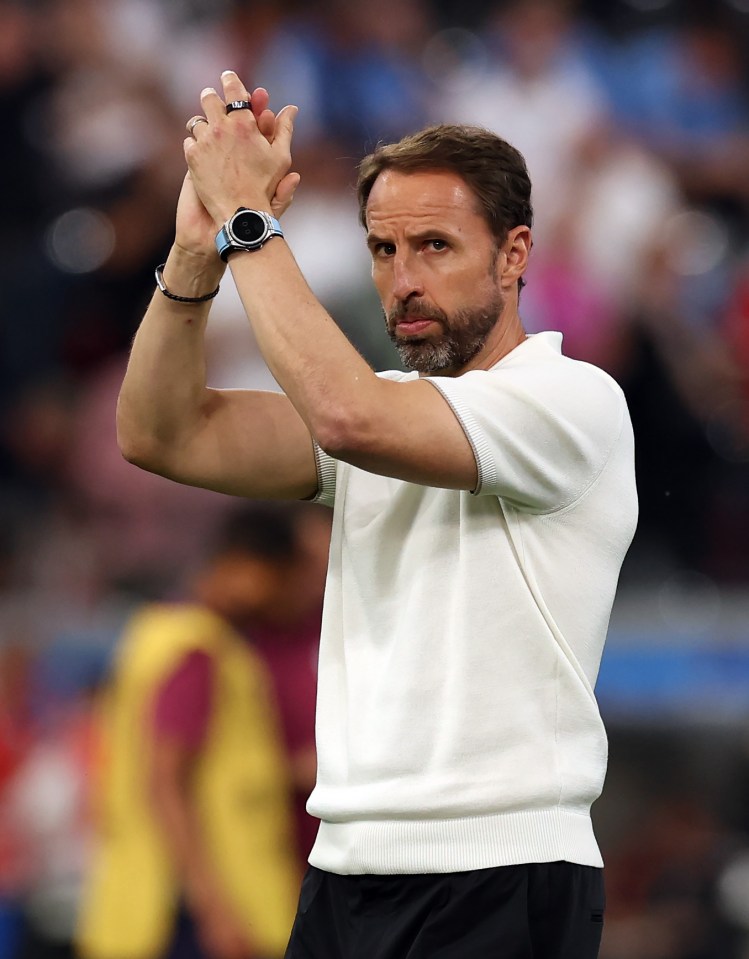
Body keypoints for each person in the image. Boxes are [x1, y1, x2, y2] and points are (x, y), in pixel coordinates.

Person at [115, 73, 638, 959]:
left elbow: (343, 413)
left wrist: (249, 217)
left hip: (500, 871)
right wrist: (197, 251)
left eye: (434, 246)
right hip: (344, 871)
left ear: (515, 255)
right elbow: (161, 432)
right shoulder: (381, 411)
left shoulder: (569, 399)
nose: (404, 281)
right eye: (384, 251)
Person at [75, 503, 309, 959]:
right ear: (245, 569)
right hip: (192, 919)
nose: (288, 598)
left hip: (154, 908)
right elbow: (165, 784)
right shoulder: (197, 652)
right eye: (283, 580)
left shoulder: (164, 637)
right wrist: (216, 912)